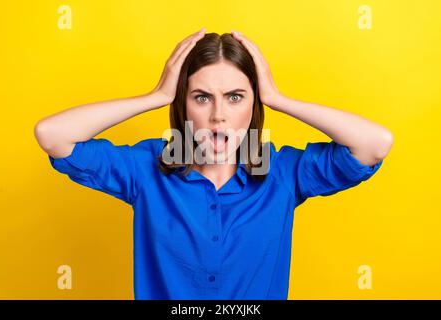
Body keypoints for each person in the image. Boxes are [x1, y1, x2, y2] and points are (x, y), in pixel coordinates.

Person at [34, 27, 393, 299]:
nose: (219, 116)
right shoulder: (146, 170)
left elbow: (375, 143)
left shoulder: (283, 174)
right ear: (182, 104)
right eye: (202, 97)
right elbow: (53, 134)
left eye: (236, 97)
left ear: (253, 105)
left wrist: (276, 97)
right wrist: (156, 95)